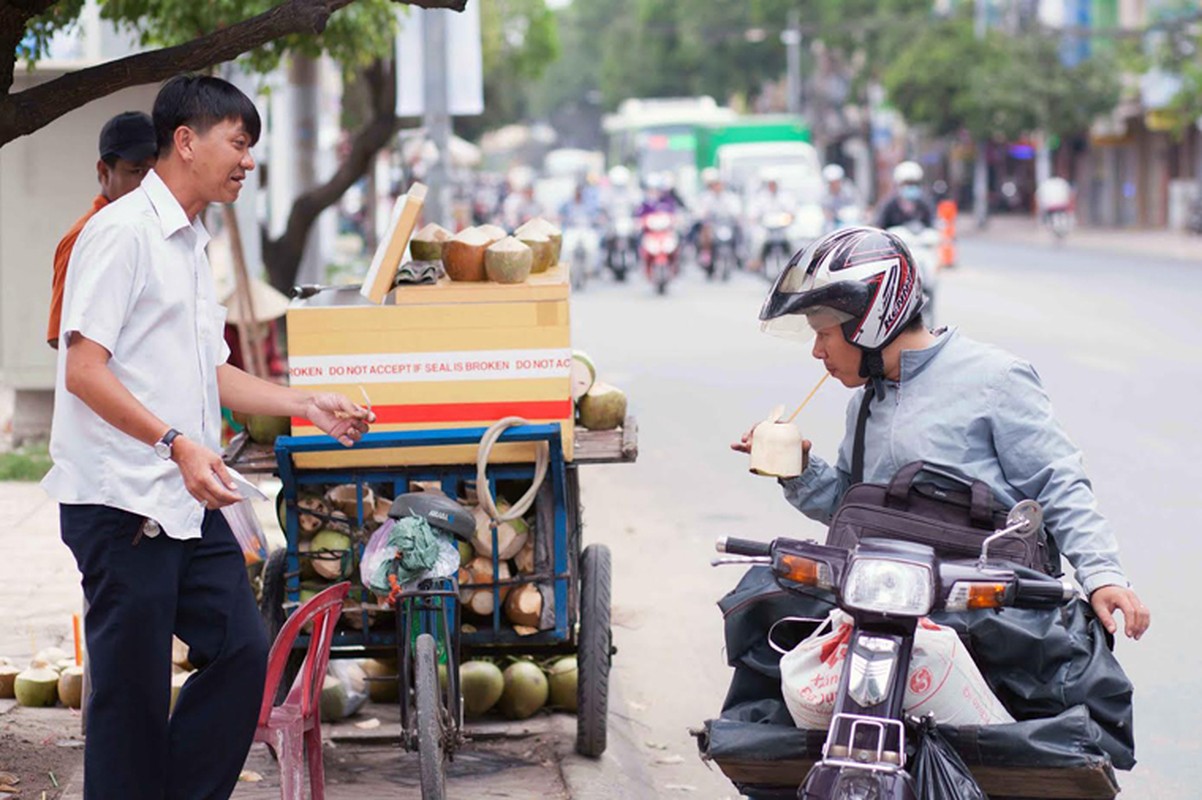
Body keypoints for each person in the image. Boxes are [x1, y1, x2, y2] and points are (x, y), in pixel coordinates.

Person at [42, 74, 375, 800]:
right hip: (122, 503)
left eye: (251, 146)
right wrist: (175, 443)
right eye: (238, 141)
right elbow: (83, 371)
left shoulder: (190, 244)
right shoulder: (120, 233)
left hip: (188, 502)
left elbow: (211, 372)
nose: (248, 160)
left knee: (242, 652)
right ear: (186, 141)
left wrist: (306, 403)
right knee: (129, 703)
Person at [732, 226, 1150, 642]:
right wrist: (798, 469)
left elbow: (1058, 484)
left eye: (823, 334)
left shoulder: (995, 379)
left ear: (871, 322)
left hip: (991, 618)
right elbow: (859, 509)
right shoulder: (865, 402)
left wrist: (1102, 575)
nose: (817, 351)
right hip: (886, 612)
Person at [47, 111, 159, 348]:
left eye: (155, 172)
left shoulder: (159, 229)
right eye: (137, 171)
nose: (149, 183)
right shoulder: (83, 238)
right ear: (103, 171)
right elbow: (61, 335)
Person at [876, 160, 934, 229]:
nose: (910, 187)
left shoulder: (924, 205)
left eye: (913, 183)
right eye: (907, 183)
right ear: (899, 185)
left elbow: (932, 225)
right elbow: (880, 226)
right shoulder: (889, 205)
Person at [819, 163, 862, 229]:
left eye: (836, 182)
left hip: (848, 220)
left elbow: (857, 205)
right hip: (832, 223)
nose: (834, 185)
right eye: (831, 183)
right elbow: (824, 210)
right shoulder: (825, 194)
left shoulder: (849, 190)